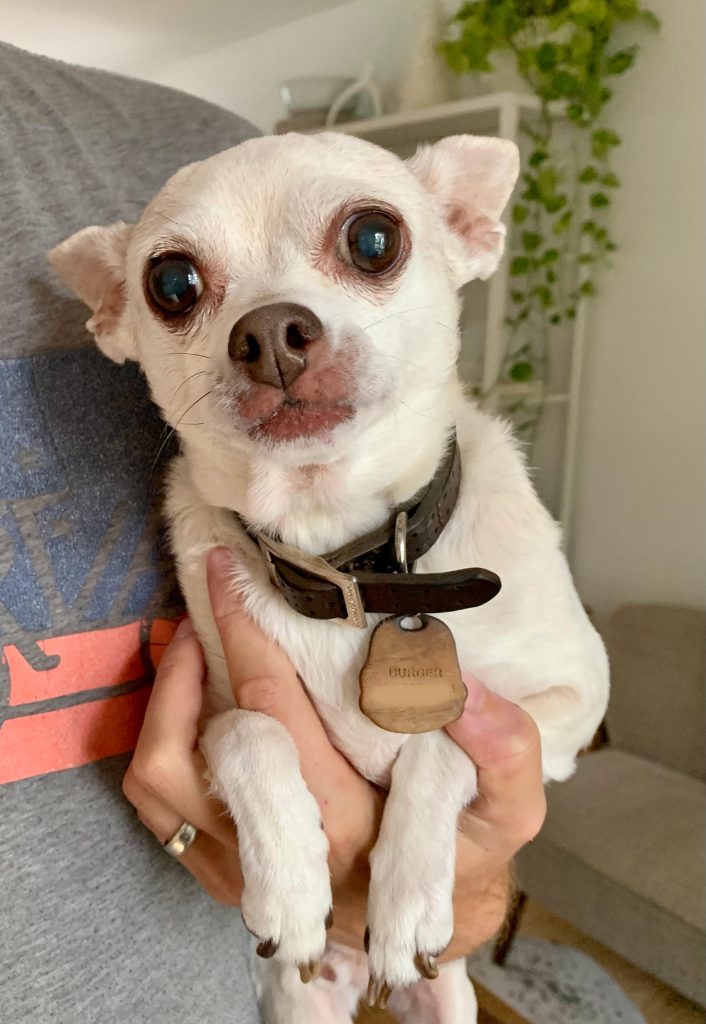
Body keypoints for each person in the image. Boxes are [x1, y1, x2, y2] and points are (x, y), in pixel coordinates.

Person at [0, 41, 546, 1022]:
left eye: (366, 247)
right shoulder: (207, 528)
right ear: (115, 311)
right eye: (178, 290)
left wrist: (465, 881)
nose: (272, 328)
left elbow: (530, 750)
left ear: (463, 226)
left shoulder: (212, 144)